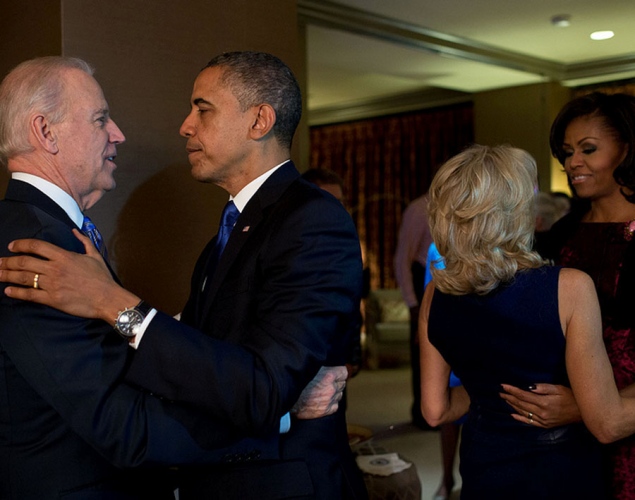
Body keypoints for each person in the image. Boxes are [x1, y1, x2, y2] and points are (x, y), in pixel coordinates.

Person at [0, 52, 368, 499]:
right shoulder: (41, 245)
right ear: (45, 132)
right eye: (101, 119)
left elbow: (257, 383)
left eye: (203, 109)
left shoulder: (312, 220)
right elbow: (158, 391)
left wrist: (113, 302)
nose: (185, 125)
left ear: (259, 121)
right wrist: (285, 408)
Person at [419, 144, 635, 499]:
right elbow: (608, 423)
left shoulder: (435, 294)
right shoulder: (569, 286)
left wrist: (492, 393)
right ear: (515, 212)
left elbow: (434, 410)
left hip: (483, 468)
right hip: (560, 472)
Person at [499, 92, 635, 499]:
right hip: (565, 432)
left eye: (588, 149)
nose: (573, 162)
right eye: (567, 152)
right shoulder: (560, 236)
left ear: (626, 147)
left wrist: (592, 406)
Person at [423, 242, 462, 500]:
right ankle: (447, 477)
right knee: (445, 410)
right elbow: (431, 296)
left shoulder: (497, 240)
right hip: (452, 337)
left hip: (485, 337)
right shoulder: (436, 249)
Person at [394, 192, 433, 429]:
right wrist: (412, 304)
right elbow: (402, 261)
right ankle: (424, 414)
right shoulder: (420, 209)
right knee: (423, 357)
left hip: (450, 284)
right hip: (423, 284)